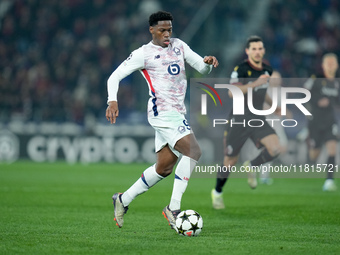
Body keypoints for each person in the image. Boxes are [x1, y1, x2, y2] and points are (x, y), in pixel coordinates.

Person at [106, 11, 218, 230]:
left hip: (177, 112)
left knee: (164, 167)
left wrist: (208, 63)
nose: (167, 34)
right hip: (162, 113)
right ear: (152, 30)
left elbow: (202, 68)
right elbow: (114, 76)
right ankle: (173, 209)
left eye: (169, 30)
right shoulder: (143, 54)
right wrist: (112, 101)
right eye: (162, 30)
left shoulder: (179, 46)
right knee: (194, 151)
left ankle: (123, 199)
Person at [211, 35, 280, 209]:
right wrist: (255, 83)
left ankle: (251, 165)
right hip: (239, 119)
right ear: (247, 51)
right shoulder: (240, 69)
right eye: (254, 49)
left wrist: (275, 106)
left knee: (275, 148)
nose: (257, 52)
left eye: (260, 48)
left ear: (263, 51)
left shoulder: (267, 70)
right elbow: (231, 93)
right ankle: (217, 192)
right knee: (230, 162)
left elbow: (263, 92)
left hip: (258, 118)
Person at [304, 53, 339, 191]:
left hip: (330, 121)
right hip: (315, 121)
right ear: (323, 65)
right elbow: (303, 94)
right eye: (328, 62)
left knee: (332, 149)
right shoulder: (315, 79)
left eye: (333, 62)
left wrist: (330, 102)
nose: (330, 65)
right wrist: (316, 102)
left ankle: (329, 181)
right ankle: (309, 142)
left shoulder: (336, 82)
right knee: (314, 154)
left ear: (336, 65)